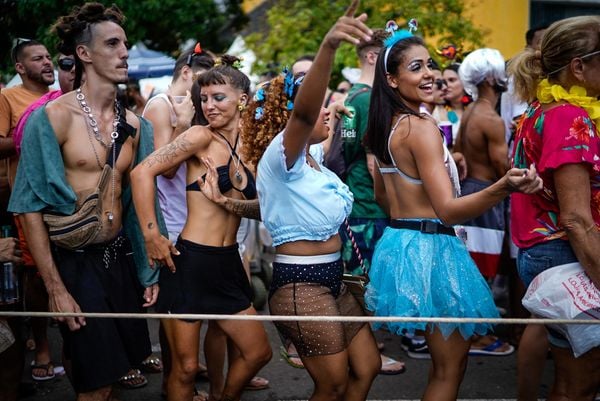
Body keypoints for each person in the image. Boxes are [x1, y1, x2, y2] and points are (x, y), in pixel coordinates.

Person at [363, 23, 542, 401]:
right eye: (416, 68)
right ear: (392, 80)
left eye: (429, 64)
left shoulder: (386, 126)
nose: (428, 74)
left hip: (400, 241)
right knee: (448, 371)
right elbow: (448, 211)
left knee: (445, 367)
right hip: (431, 248)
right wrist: (504, 186)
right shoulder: (420, 127)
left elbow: (383, 198)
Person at [8, 3, 161, 400]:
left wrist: (146, 270)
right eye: (112, 44)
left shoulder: (136, 125)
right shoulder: (54, 117)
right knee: (98, 385)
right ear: (84, 53)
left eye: (125, 43)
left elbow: (139, 202)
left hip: (118, 258)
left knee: (110, 368)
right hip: (76, 264)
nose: (125, 52)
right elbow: (28, 206)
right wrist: (55, 287)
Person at [247, 2, 381, 399]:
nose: (327, 112)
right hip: (300, 286)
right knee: (332, 382)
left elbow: (325, 122)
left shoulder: (315, 159)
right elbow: (306, 117)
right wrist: (329, 47)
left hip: (336, 278)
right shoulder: (280, 157)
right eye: (320, 106)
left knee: (368, 367)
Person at [130, 54, 272, 401]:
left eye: (217, 97)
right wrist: (151, 235)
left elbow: (263, 210)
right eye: (203, 98)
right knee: (187, 369)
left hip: (228, 263)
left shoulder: (253, 145)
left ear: (242, 98)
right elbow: (141, 172)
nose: (208, 105)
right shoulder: (199, 137)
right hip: (191, 262)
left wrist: (227, 202)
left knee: (258, 353)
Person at [509, 15, 600, 400]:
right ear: (578, 67)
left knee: (569, 378)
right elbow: (576, 218)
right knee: (582, 383)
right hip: (567, 254)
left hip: (549, 253)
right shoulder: (569, 116)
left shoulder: (540, 108)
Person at [332, 27, 406, 374]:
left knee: (362, 283)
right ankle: (364, 353)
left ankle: (363, 352)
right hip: (365, 207)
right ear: (375, 58)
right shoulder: (363, 99)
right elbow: (346, 152)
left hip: (369, 206)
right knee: (361, 285)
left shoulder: (361, 98)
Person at [0, 38, 55, 397]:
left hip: (60, 200)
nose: (48, 62)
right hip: (26, 200)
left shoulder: (64, 95)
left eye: (49, 56)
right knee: (34, 277)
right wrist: (32, 135)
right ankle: (43, 345)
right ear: (21, 67)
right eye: (38, 58)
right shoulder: (8, 98)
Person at [453, 49, 515, 357]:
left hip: (471, 192)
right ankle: (475, 337)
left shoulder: (472, 111)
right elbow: (504, 168)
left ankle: (472, 333)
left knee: (473, 268)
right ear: (491, 77)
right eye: (501, 70)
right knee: (481, 270)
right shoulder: (490, 118)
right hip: (486, 195)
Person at [442, 62, 469, 147]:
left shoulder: (474, 110)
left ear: (464, 82)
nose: (446, 86)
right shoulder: (438, 110)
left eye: (451, 80)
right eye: (443, 81)